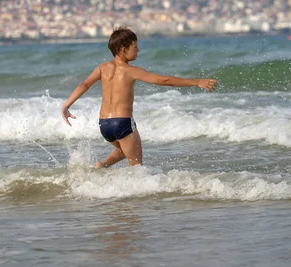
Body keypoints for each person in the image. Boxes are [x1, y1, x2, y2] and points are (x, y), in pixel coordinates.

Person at [61, 26, 217, 168]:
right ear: (123, 49)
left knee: (124, 150)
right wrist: (196, 82)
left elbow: (84, 85)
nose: (138, 50)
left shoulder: (103, 68)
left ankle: (102, 166)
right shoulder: (131, 70)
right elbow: (165, 80)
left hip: (104, 124)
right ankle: (137, 197)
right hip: (122, 122)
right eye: (135, 47)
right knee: (138, 169)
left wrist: (66, 106)